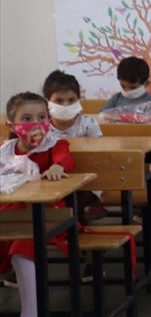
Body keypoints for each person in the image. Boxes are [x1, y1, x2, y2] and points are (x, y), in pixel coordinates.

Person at [1, 92, 75, 317]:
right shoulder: (6, 152)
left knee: (23, 245)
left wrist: (57, 168)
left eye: (42, 117)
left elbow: (64, 160)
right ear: (12, 126)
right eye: (27, 118)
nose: (36, 124)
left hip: (47, 216)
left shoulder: (55, 146)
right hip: (9, 214)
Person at [42, 69, 106, 223]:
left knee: (77, 203)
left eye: (71, 100)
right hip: (54, 184)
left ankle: (78, 226)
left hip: (86, 183)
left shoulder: (88, 124)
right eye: (59, 101)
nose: (66, 105)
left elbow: (100, 155)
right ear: (47, 102)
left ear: (78, 99)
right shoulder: (43, 129)